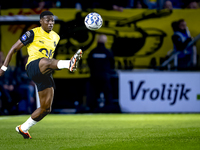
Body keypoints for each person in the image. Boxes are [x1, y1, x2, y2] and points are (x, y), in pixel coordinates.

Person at [0, 11, 82, 139]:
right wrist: (3, 68)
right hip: (33, 66)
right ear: (41, 21)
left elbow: (51, 60)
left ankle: (23, 128)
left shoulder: (56, 37)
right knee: (45, 60)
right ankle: (69, 63)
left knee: (45, 108)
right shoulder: (32, 33)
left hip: (45, 71)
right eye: (47, 20)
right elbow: (13, 49)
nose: (50, 23)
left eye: (52, 21)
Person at [87, 34, 115, 112]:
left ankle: (92, 109)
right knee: (108, 94)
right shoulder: (107, 52)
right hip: (105, 76)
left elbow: (89, 63)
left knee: (93, 94)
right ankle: (109, 109)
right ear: (105, 41)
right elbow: (112, 64)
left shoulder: (93, 52)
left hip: (94, 76)